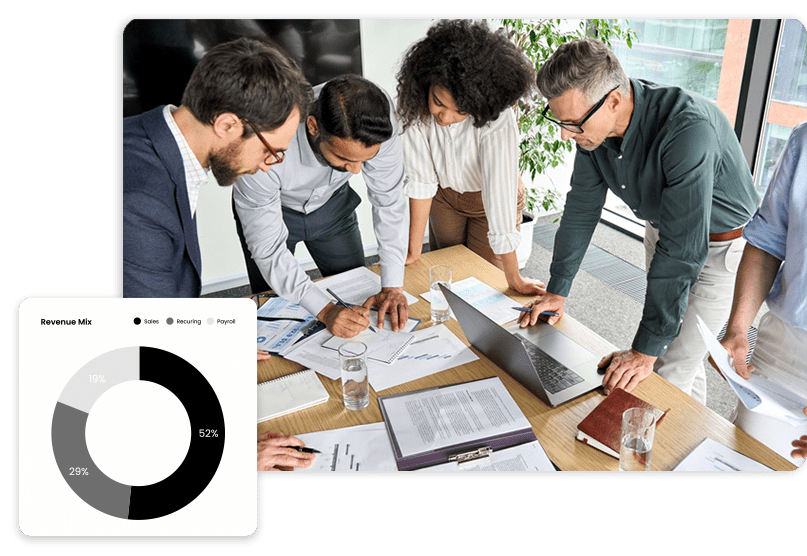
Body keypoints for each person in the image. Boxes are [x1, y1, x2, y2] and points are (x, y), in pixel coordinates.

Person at [522, 38, 759, 404]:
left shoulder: (686, 129)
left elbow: (683, 251)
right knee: (683, 362)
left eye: (572, 123)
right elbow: (581, 206)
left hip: (721, 250)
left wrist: (644, 349)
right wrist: (558, 289)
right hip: (664, 232)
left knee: (665, 372)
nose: (566, 134)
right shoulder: (593, 132)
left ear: (613, 100)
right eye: (559, 120)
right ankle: (690, 450)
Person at [123, 37, 312, 299]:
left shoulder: (142, 136)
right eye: (270, 152)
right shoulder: (140, 203)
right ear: (226, 125)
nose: (267, 167)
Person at [233, 74, 409, 338]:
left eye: (366, 159)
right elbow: (268, 249)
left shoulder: (380, 119)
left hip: (334, 205)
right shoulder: (261, 145)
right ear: (313, 126)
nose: (357, 171)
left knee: (355, 293)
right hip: (272, 209)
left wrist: (393, 285)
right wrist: (324, 311)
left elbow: (390, 200)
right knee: (274, 310)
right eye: (344, 158)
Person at [395, 19, 545, 296]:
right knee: (445, 277)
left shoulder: (497, 117)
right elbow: (421, 179)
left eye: (460, 112)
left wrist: (514, 277)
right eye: (438, 102)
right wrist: (413, 252)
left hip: (488, 201)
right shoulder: (415, 104)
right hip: (444, 196)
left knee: (487, 285)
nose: (444, 117)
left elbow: (499, 194)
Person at [716, 121, 807, 465]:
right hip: (783, 347)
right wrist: (738, 329)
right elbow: (767, 244)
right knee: (741, 459)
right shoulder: (804, 140)